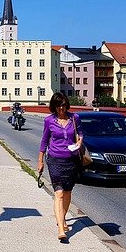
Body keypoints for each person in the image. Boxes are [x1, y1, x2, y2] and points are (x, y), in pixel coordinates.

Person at [37, 93, 84, 242]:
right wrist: (40, 161)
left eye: (63, 105)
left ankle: (62, 219)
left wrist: (79, 142)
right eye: (58, 106)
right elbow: (44, 141)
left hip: (72, 160)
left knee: (68, 192)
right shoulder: (49, 121)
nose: (61, 108)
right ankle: (61, 229)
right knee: (59, 193)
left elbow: (81, 134)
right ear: (54, 106)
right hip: (55, 160)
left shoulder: (74, 118)